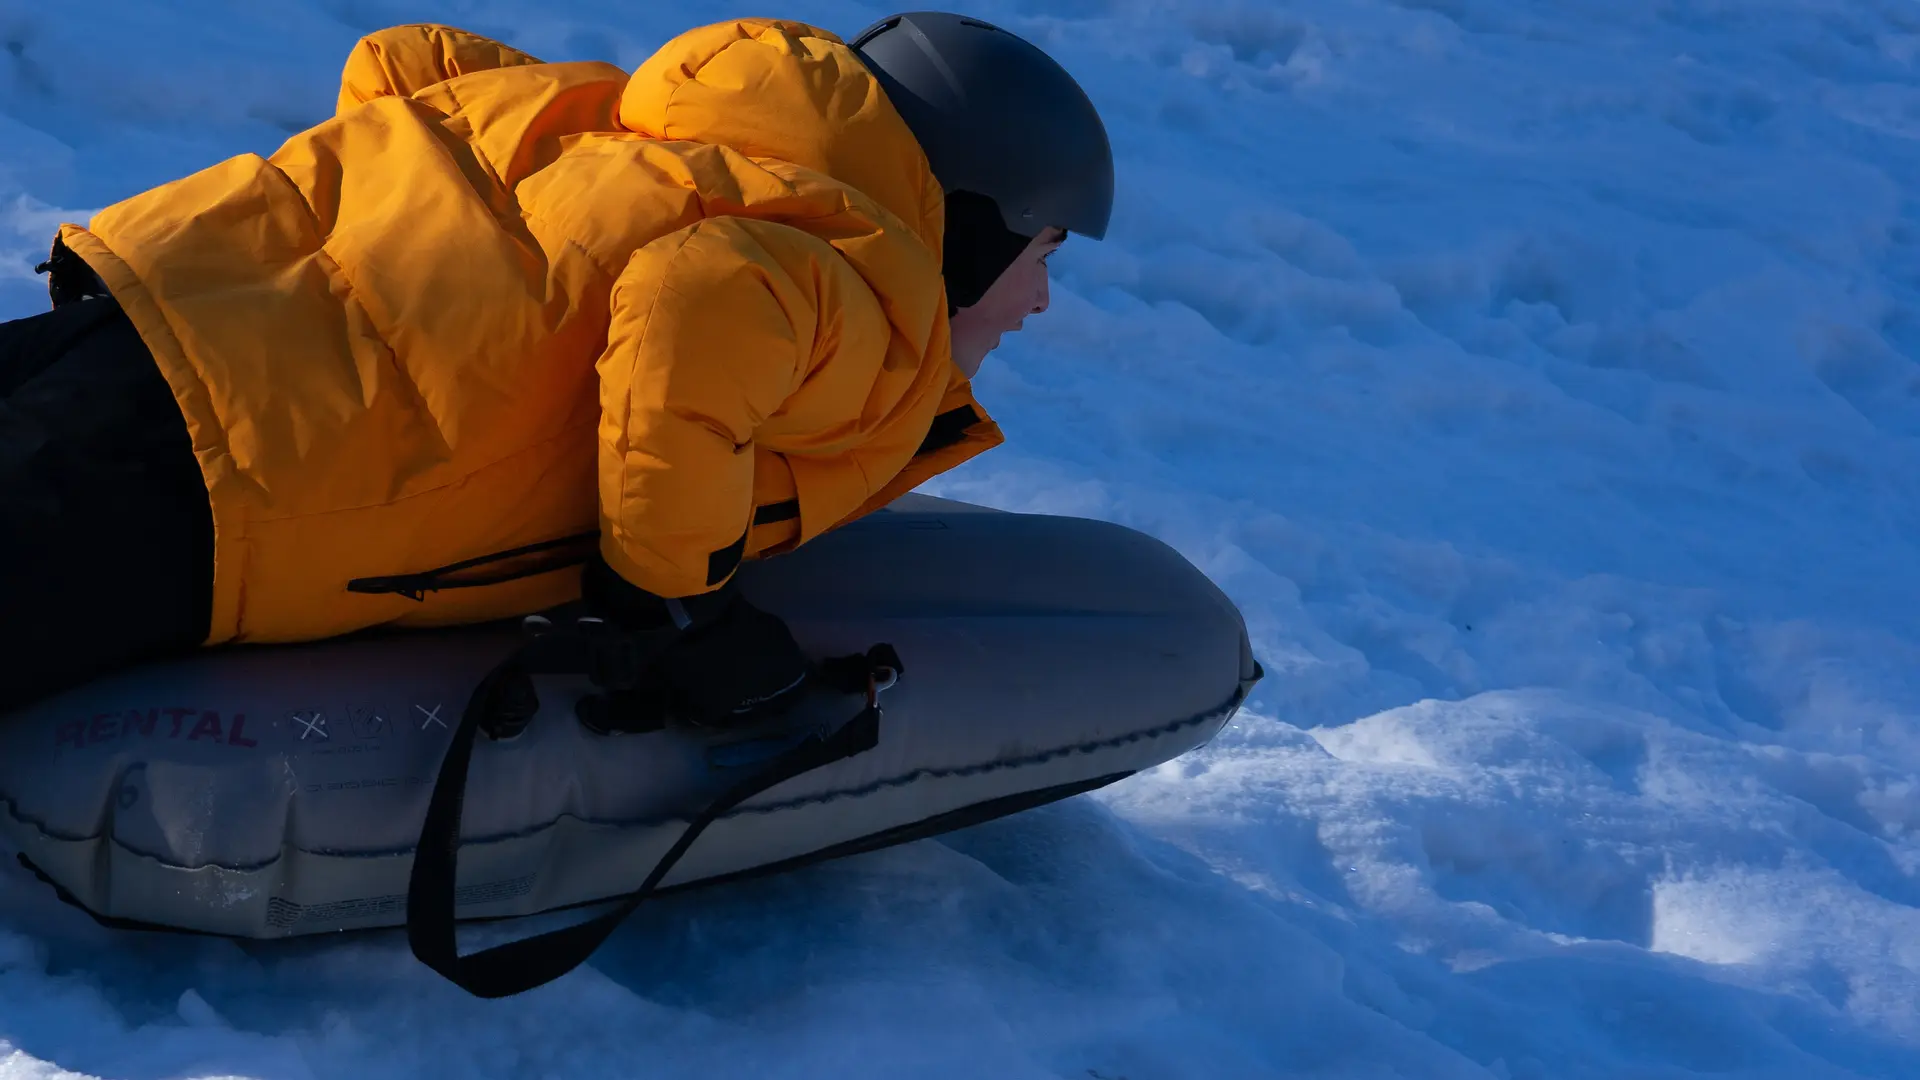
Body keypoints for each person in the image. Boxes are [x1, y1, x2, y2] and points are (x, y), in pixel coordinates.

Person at [0, 12, 1113, 720]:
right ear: (969, 227)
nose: (1040, 300)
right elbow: (697, 302)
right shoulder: (874, 298)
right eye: (1041, 254)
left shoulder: (623, 128)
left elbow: (407, 63)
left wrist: (390, 302)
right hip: (233, 486)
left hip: (151, 312)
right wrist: (676, 606)